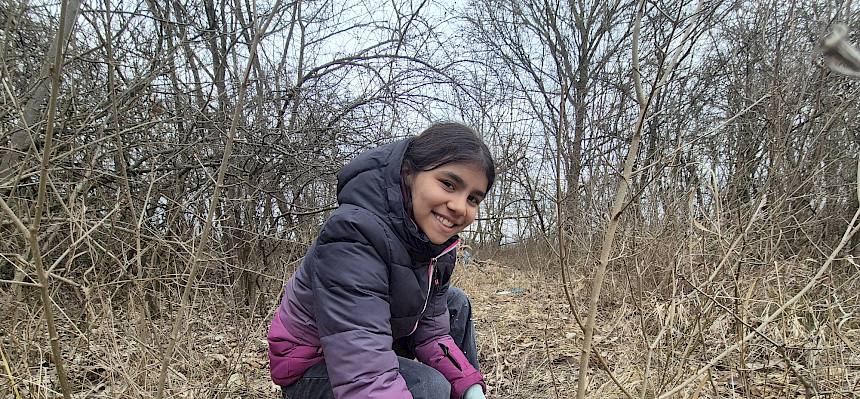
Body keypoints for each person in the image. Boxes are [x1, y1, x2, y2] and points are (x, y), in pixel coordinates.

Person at [268, 122, 494, 399]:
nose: (459, 207)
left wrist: (470, 389)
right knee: (429, 386)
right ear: (409, 172)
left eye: (473, 198)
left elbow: (432, 334)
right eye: (448, 184)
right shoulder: (352, 234)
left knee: (455, 304)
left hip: (372, 340)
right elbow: (364, 373)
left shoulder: (437, 247)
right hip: (312, 362)